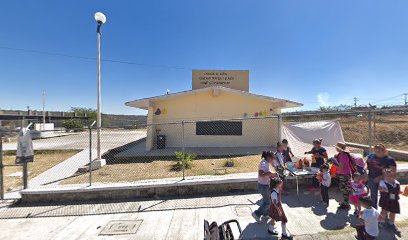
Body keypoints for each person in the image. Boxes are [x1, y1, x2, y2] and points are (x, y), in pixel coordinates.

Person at [366, 144, 397, 209]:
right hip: (372, 178)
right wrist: (365, 170)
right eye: (375, 151)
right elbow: (367, 164)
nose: (377, 153)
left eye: (379, 151)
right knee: (373, 196)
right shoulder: (371, 156)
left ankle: (385, 213)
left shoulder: (389, 160)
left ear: (384, 151)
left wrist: (380, 177)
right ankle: (373, 211)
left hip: (384, 181)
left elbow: (392, 171)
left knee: (385, 197)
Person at [252, 151, 277, 223]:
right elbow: (261, 174)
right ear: (268, 157)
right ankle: (257, 213)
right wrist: (271, 174)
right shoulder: (263, 163)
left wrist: (272, 176)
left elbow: (267, 174)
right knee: (267, 202)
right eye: (272, 158)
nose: (273, 160)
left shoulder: (266, 163)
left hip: (265, 185)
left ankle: (266, 214)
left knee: (267, 200)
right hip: (263, 186)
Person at [332, 142, 355, 210]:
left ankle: (346, 204)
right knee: (344, 189)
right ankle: (345, 202)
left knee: (344, 189)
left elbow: (340, 167)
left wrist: (333, 163)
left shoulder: (343, 156)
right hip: (344, 174)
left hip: (344, 174)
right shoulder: (342, 154)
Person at [378, 168, 401, 237]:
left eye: (391, 176)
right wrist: (381, 189)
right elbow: (380, 188)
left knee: (393, 212)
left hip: (394, 201)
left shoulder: (396, 183)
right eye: (387, 176)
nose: (389, 177)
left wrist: (398, 194)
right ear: (384, 176)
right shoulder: (383, 182)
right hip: (386, 200)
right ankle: (381, 222)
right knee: (384, 211)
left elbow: (398, 191)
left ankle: (391, 223)